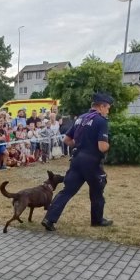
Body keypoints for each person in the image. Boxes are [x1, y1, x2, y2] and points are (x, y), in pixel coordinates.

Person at [41, 93, 114, 231]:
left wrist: (79, 146)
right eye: (107, 108)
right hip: (92, 163)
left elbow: (66, 140)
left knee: (67, 191)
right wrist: (110, 145)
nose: (108, 111)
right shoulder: (101, 121)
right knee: (97, 192)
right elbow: (102, 147)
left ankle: (49, 219)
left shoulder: (81, 118)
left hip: (77, 159)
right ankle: (97, 220)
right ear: (101, 106)